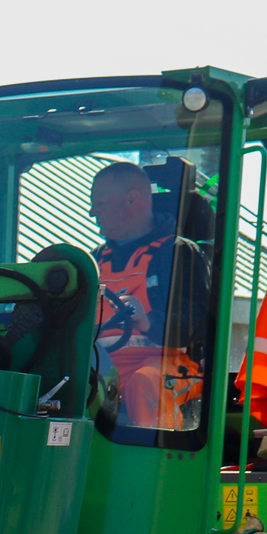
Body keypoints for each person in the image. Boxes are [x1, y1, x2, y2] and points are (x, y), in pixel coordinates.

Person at [88, 160, 201, 430]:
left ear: (131, 200)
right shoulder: (93, 261)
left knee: (145, 385)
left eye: (99, 204)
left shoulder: (177, 253)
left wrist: (150, 322)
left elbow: (201, 325)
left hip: (169, 363)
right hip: (104, 367)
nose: (92, 213)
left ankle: (157, 469)